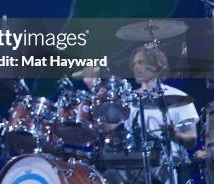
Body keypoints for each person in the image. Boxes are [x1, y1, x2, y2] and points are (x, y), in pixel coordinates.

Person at [83, 45, 198, 184]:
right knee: (107, 175)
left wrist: (175, 135)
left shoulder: (179, 97)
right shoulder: (128, 99)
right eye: (134, 64)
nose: (135, 67)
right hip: (135, 163)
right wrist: (93, 87)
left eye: (141, 62)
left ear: (156, 66)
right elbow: (108, 127)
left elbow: (192, 139)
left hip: (168, 164)